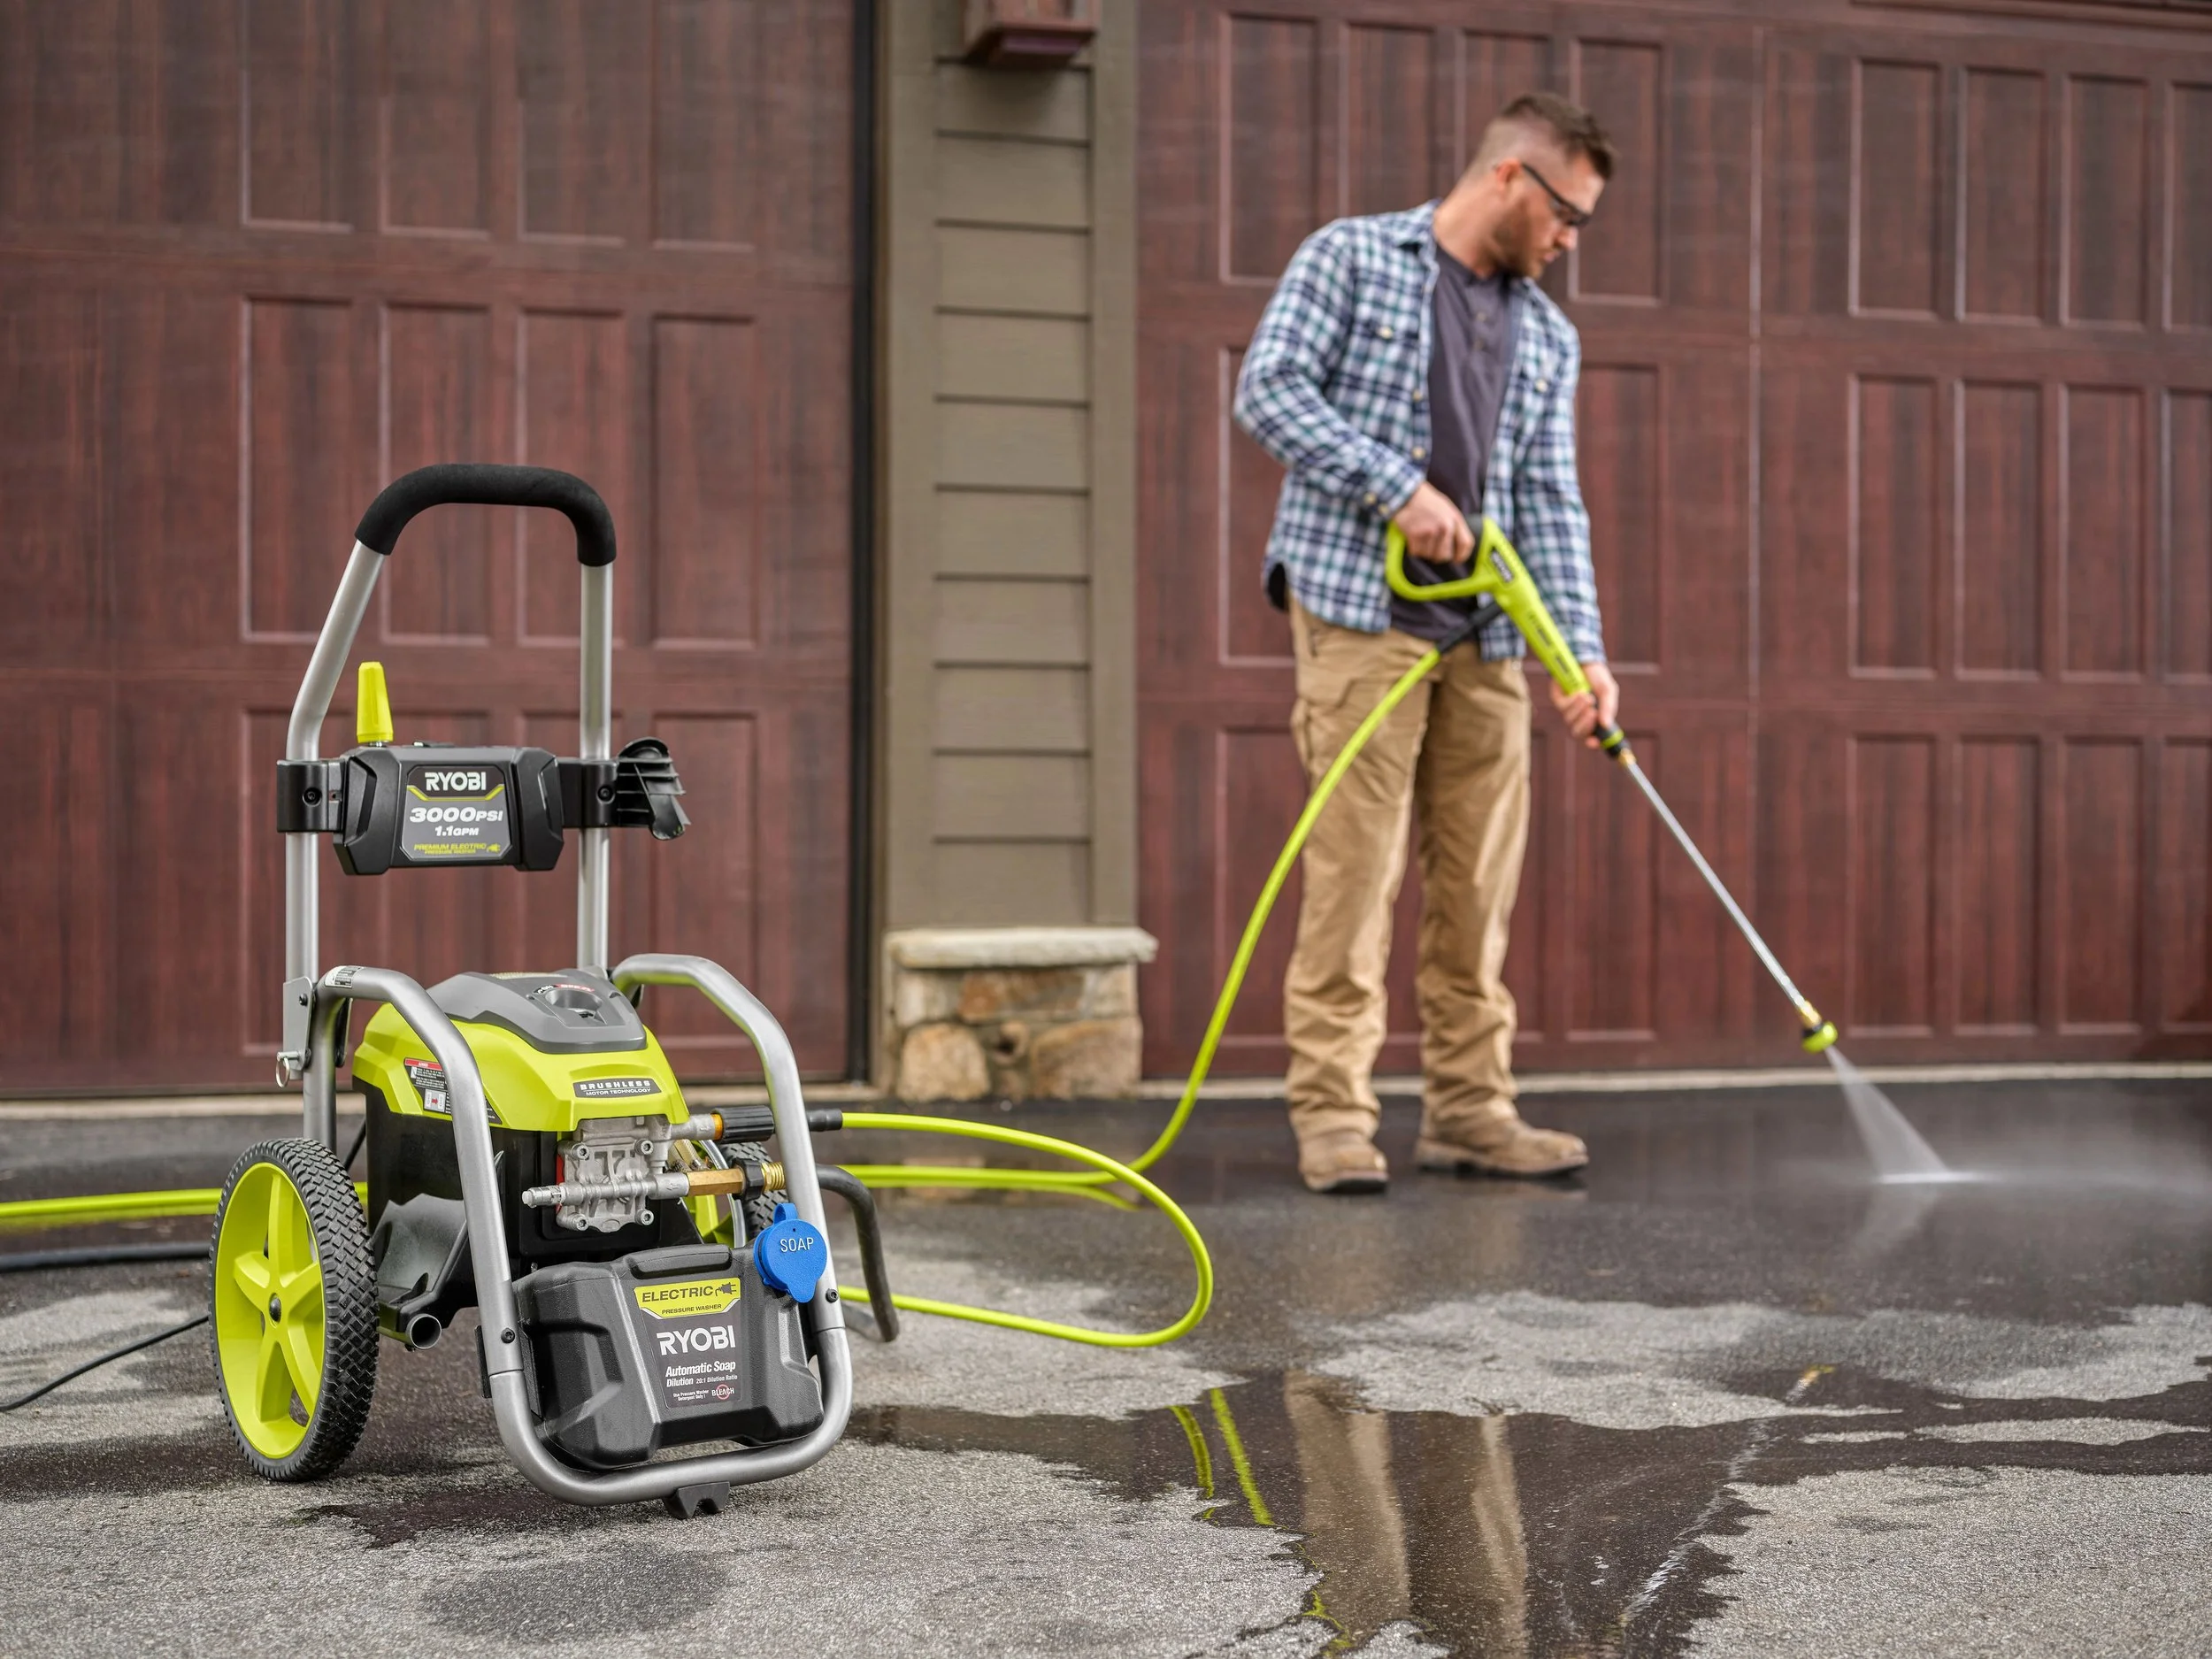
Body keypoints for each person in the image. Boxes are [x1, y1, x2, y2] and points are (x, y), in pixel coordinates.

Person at [1233, 92, 1621, 1194]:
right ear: (1510, 178)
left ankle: (1469, 1111)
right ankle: (1334, 1121)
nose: (1568, 241)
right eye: (1565, 216)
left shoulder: (1546, 332)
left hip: (1489, 636)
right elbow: (1268, 392)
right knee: (1354, 880)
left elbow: (1551, 501)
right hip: (1363, 615)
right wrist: (1394, 484)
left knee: (1477, 888)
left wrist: (1579, 653)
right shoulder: (1352, 259)